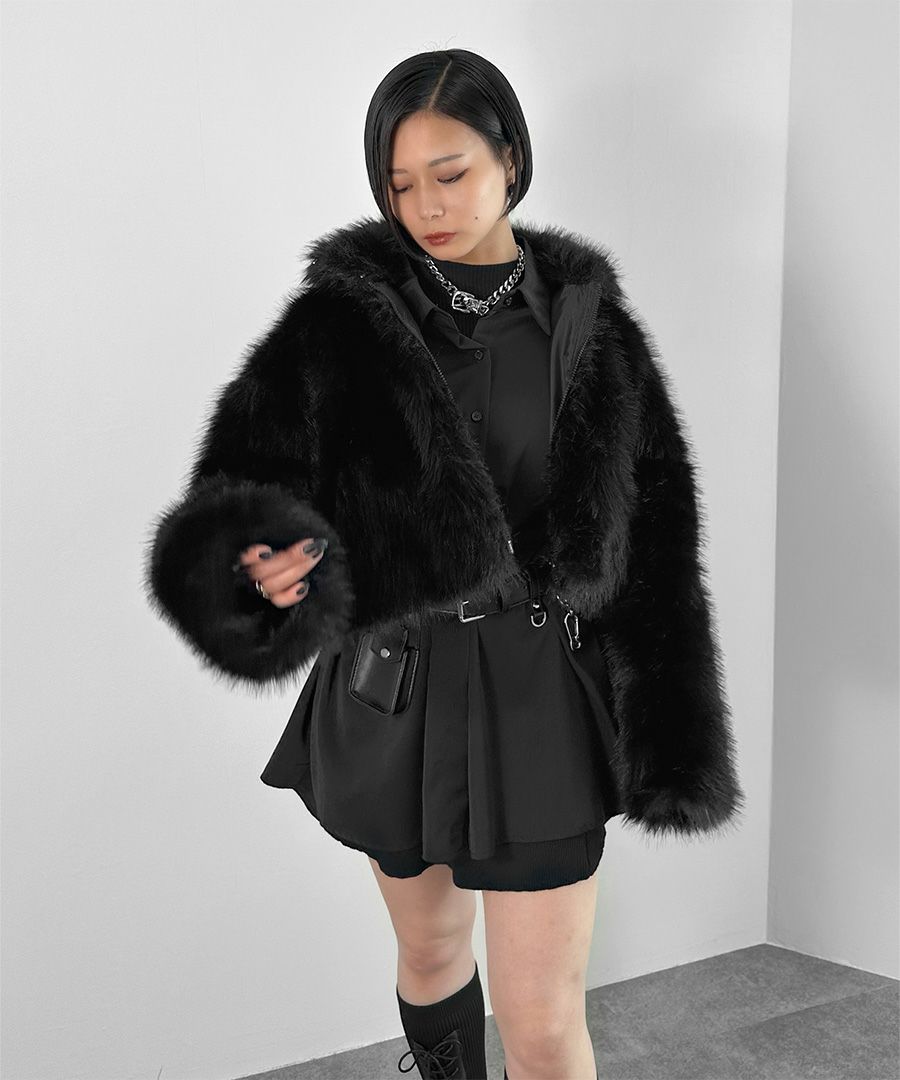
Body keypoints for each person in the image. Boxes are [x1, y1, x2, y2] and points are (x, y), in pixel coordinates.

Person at [144, 48, 744, 1080]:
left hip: (541, 694)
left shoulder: (589, 329)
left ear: (511, 158)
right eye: (400, 182)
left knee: (543, 1020)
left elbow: (659, 543)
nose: (425, 204)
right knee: (428, 953)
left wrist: (675, 733)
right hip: (396, 688)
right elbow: (238, 490)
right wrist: (259, 566)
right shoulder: (338, 323)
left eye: (451, 172)